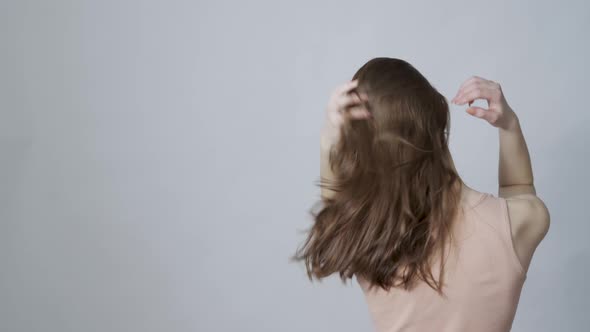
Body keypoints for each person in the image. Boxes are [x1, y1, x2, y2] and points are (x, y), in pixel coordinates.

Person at [291, 57, 550, 332]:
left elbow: (337, 200)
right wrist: (509, 125)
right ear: (440, 127)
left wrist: (329, 139)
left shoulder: (365, 238)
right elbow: (518, 190)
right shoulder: (521, 222)